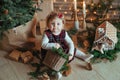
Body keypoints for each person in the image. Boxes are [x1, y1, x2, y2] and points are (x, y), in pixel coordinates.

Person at [41, 11, 94, 79]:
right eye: (52, 24)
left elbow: (70, 43)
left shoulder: (63, 33)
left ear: (62, 24)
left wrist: (70, 53)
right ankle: (58, 72)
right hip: (50, 52)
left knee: (73, 49)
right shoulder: (47, 34)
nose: (55, 26)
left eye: (58, 24)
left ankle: (83, 56)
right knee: (54, 60)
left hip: (62, 48)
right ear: (48, 25)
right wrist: (53, 45)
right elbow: (43, 45)